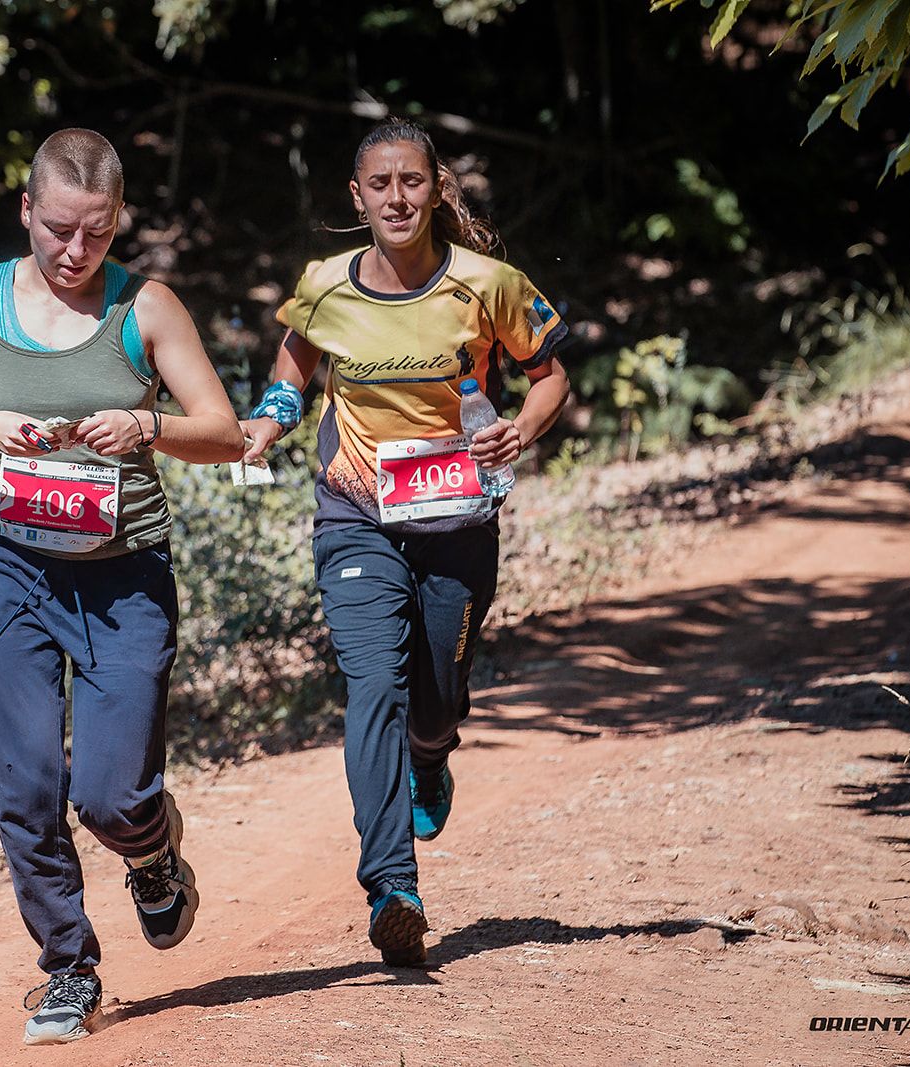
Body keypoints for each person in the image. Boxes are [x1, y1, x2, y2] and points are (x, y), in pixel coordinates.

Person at [0, 128, 244, 1044]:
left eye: (96, 232)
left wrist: (147, 424)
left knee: (110, 797)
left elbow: (225, 433)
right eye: (56, 230)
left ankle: (153, 847)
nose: (75, 252)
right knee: (24, 779)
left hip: (124, 580)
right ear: (26, 213)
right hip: (10, 568)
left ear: (117, 218)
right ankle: (68, 967)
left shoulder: (146, 306)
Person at [241, 118, 571, 966]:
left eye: (412, 182)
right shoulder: (323, 286)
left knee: (433, 696)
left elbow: (552, 376)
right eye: (379, 185)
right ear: (357, 198)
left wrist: (520, 433)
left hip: (457, 521)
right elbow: (293, 367)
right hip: (356, 514)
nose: (397, 197)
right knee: (373, 685)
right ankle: (393, 884)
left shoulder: (488, 284)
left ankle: (434, 751)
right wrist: (274, 420)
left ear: (436, 187)